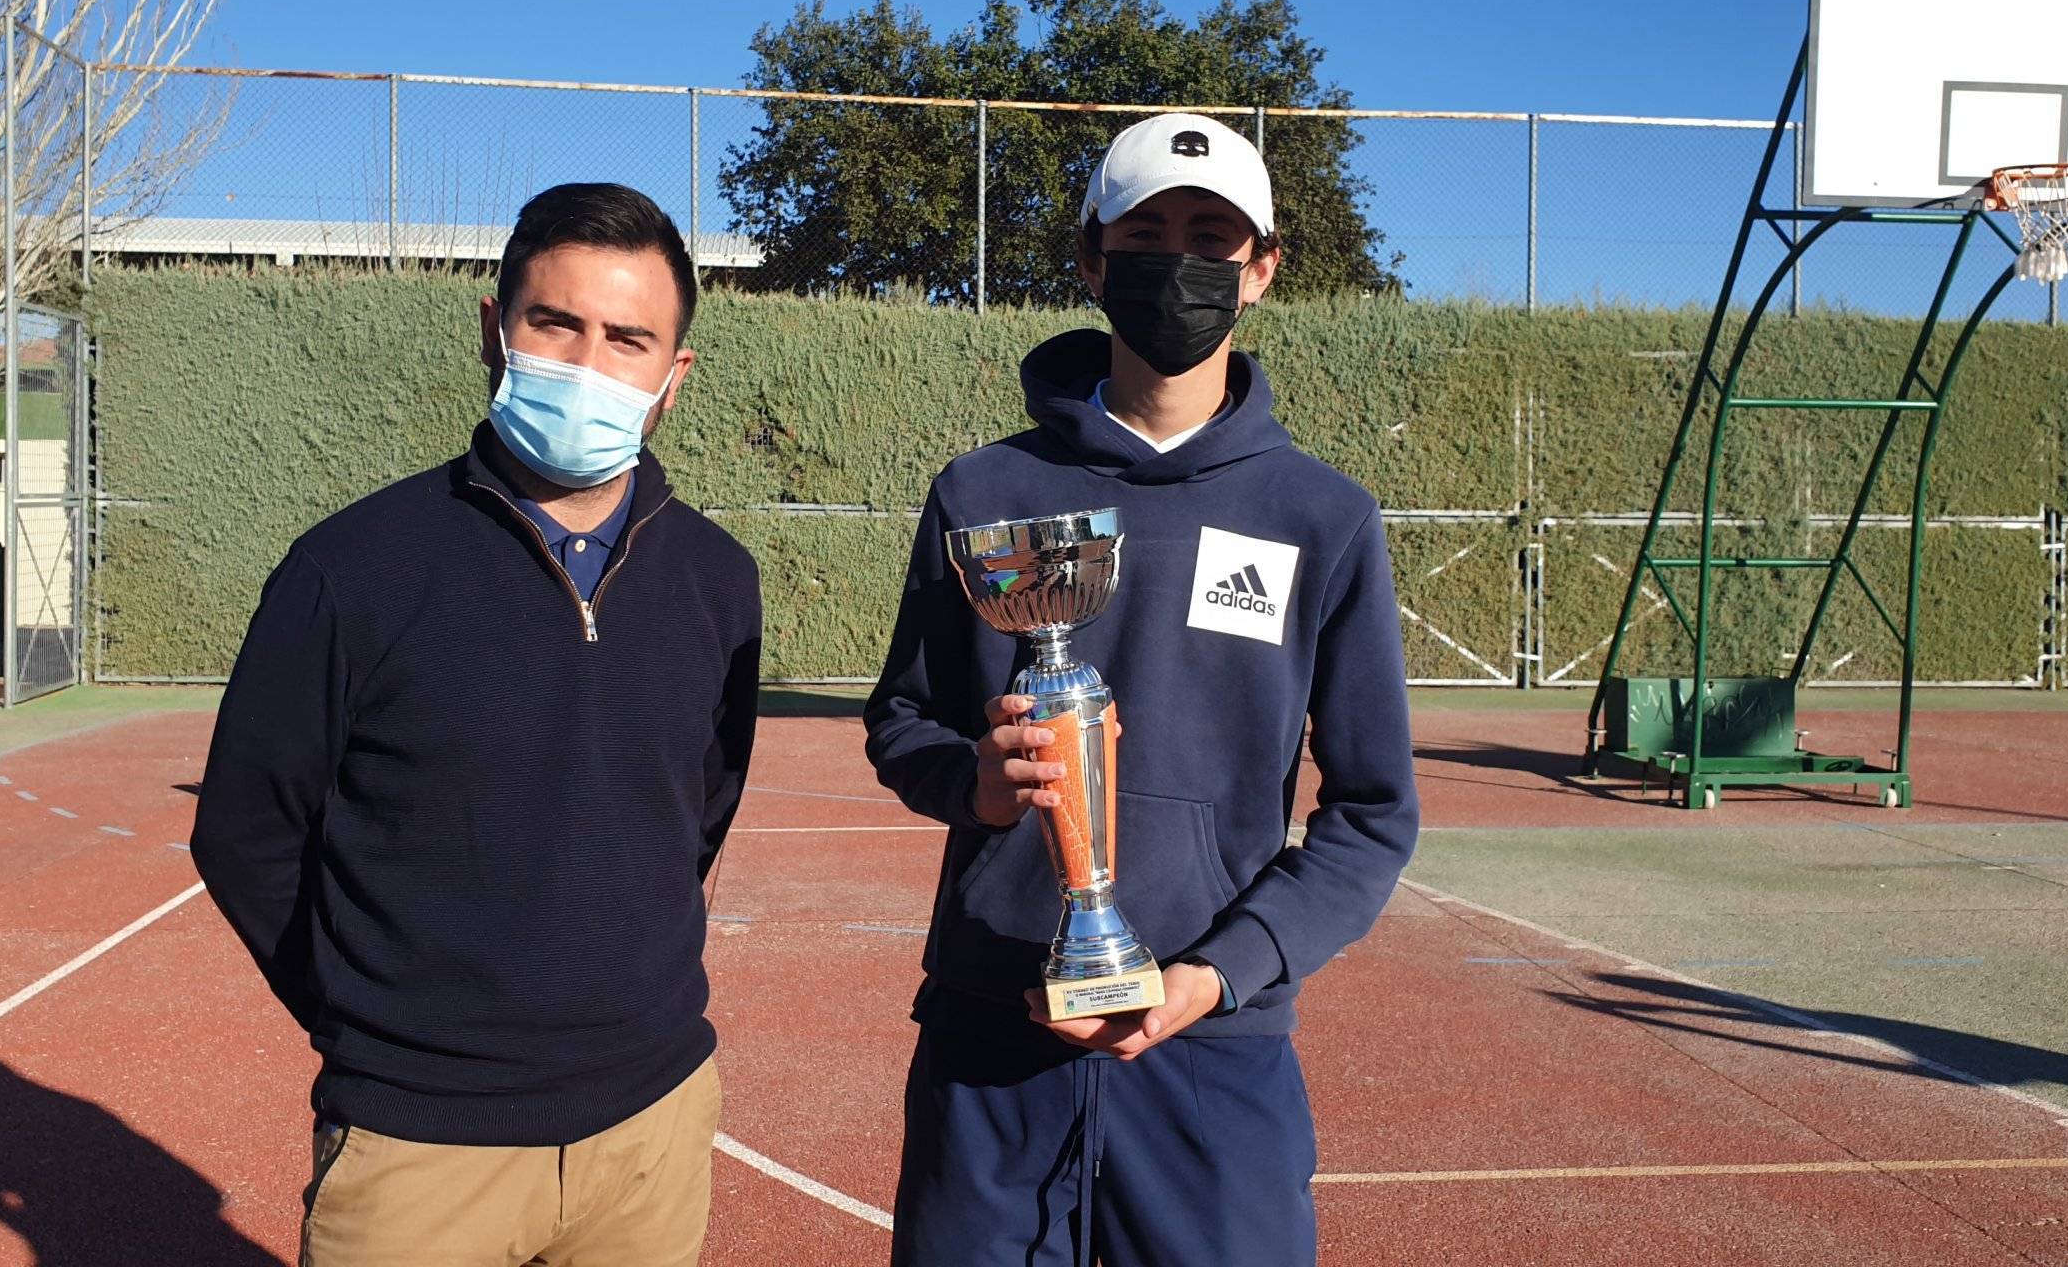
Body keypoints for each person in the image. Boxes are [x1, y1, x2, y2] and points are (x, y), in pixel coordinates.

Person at [864, 113, 1419, 1266]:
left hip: (1214, 1051)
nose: (1182, 262)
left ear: (1261, 270)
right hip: (993, 1031)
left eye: (1214, 237)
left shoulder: (1321, 516)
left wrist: (1215, 976)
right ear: (1090, 260)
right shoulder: (985, 490)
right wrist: (974, 784)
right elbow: (903, 720)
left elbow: (1372, 814)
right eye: (1148, 231)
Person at [193, 182, 761, 1267]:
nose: (589, 364)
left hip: (652, 1128)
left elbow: (701, 810)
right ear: (494, 329)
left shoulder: (717, 579)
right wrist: (369, 1022)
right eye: (556, 324)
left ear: (672, 379)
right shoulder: (349, 569)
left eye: (628, 338)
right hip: (419, 1146)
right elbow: (245, 832)